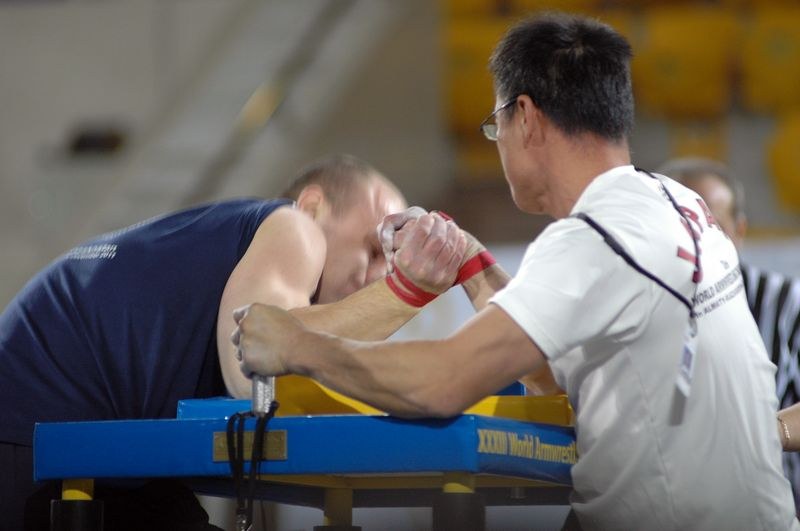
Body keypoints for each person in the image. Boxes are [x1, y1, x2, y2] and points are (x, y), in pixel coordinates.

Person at [232, 13, 799, 531]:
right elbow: (553, 375)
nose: (496, 142)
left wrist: (297, 342)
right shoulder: (677, 202)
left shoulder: (595, 237)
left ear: (524, 117)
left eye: (493, 124)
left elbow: (440, 382)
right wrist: (474, 266)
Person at [0, 153, 471, 530]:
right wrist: (408, 291)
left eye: (386, 266)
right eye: (372, 248)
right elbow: (253, 367)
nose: (375, 274)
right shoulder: (293, 228)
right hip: (36, 444)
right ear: (313, 206)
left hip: (97, 456)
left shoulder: (224, 244)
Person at [659, 156, 800, 508]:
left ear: (739, 230)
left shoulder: (785, 304)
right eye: (678, 227)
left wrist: (766, 432)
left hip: (770, 504)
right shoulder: (640, 305)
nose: (692, 242)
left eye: (709, 228)